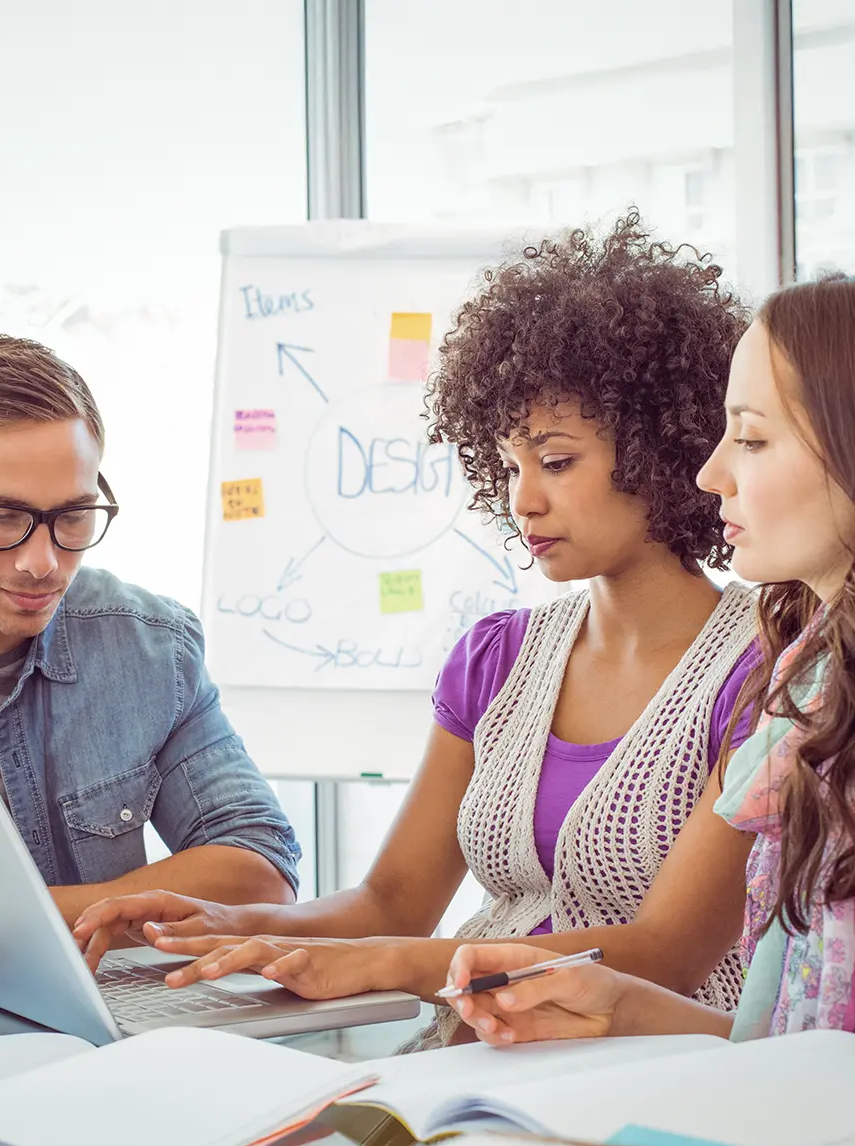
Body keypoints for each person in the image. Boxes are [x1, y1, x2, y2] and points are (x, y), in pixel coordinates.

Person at [73, 213, 758, 1046]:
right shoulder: (498, 659)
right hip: (469, 1067)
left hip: (654, 1079)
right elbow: (391, 903)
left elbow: (665, 955)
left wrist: (397, 964)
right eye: (509, 465)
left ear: (658, 447)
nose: (522, 500)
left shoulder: (761, 668)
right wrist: (222, 919)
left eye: (557, 460)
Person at [445, 273, 855, 1044]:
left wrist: (373, 962)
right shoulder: (811, 681)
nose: (713, 474)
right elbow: (785, 1037)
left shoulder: (759, 674)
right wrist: (621, 1007)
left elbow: (681, 957)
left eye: (754, 439)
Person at [0, 335, 299, 969]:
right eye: (0, 516)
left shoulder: (148, 648)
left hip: (77, 1040)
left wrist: (2, 912)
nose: (43, 563)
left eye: (74, 516)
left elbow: (260, 869)